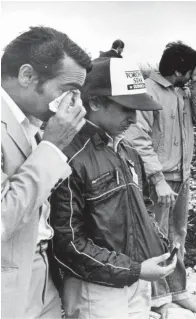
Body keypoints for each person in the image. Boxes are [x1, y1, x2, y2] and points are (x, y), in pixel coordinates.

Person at [49, 57, 177, 318]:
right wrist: (134, 269)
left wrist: (159, 247)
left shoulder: (128, 151)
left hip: (137, 278)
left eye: (137, 108)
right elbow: (68, 244)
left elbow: (144, 208)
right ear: (95, 102)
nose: (134, 118)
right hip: (96, 291)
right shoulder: (68, 156)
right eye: (126, 108)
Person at [1, 26, 91, 319]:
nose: (72, 104)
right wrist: (52, 147)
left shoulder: (30, 121)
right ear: (28, 75)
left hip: (41, 274)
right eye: (67, 91)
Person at [125, 41, 196, 314]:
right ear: (178, 70)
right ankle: (156, 298)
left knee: (179, 234)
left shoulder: (184, 90)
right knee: (156, 238)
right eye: (191, 71)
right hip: (159, 180)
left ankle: (177, 290)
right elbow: (138, 139)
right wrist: (157, 178)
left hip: (182, 175)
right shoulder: (147, 92)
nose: (193, 75)